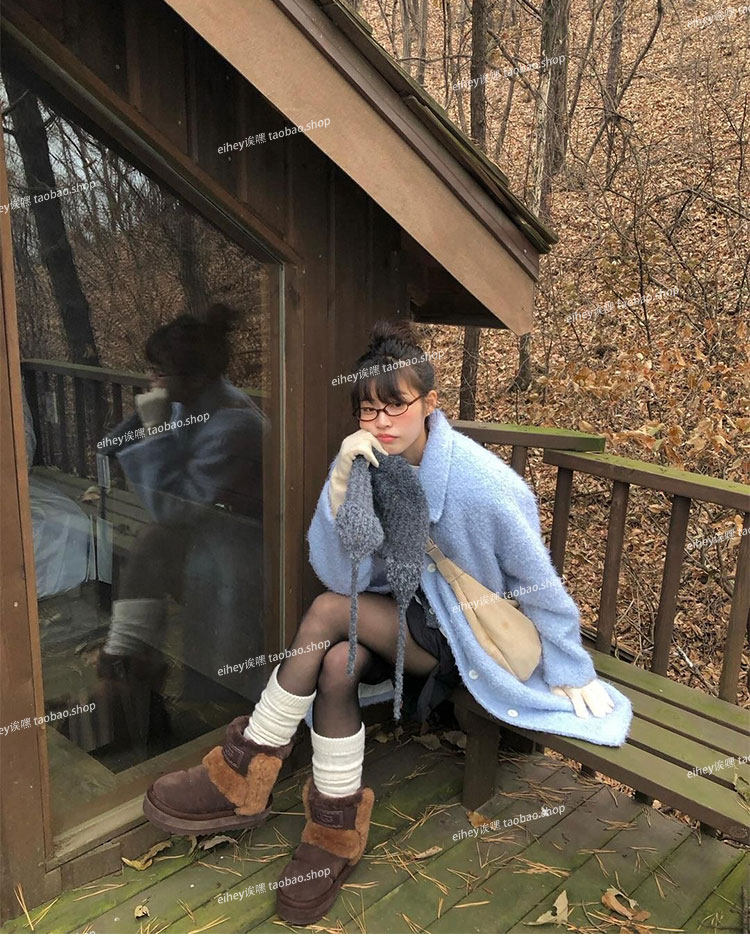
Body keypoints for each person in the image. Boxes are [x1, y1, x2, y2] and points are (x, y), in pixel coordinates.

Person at [142, 320, 628, 927]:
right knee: (337, 664)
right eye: (369, 409)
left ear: (430, 403)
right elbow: (336, 569)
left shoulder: (483, 486)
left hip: (461, 636)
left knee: (324, 612)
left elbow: (540, 585)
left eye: (396, 405)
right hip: (392, 615)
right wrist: (342, 482)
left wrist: (571, 666)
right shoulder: (366, 462)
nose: (381, 422)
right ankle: (334, 831)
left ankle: (244, 769)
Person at [96, 303, 266, 750]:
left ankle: (131, 692)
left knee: (153, 545)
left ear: (194, 377)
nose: (151, 381)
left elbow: (173, 508)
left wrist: (153, 430)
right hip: (208, 535)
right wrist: (142, 420)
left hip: (249, 548)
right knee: (149, 548)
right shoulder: (189, 403)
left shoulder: (235, 424)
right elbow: (110, 446)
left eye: (159, 373)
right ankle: (128, 691)